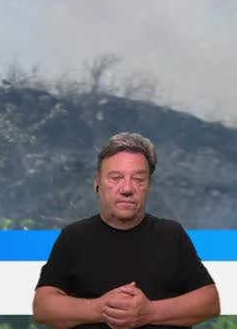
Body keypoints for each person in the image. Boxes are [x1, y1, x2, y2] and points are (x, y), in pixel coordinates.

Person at [32, 132, 220, 329]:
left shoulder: (171, 234)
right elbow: (43, 307)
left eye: (138, 179)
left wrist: (150, 312)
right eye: (116, 178)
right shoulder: (74, 236)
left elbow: (210, 302)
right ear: (97, 183)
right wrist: (100, 308)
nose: (127, 188)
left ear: (149, 185)